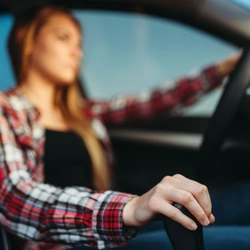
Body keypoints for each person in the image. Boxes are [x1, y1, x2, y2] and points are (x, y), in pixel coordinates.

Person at [0, 4, 242, 250]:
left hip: (113, 232)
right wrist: (130, 208)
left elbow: (151, 102)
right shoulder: (5, 110)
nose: (78, 53)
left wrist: (222, 69)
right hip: (65, 243)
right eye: (64, 38)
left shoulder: (84, 112)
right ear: (27, 42)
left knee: (242, 198)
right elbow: (14, 197)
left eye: (79, 44)